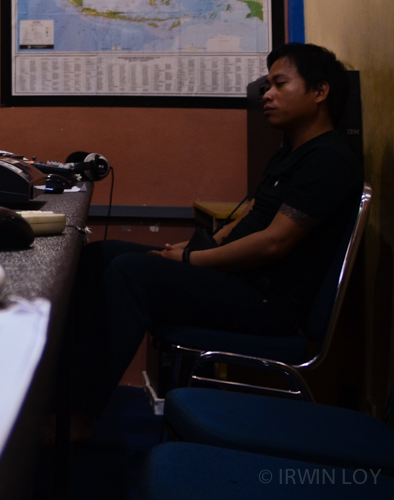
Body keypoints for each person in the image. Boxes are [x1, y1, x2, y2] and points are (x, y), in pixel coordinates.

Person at [67, 42, 361, 428]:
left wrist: (190, 261)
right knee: (99, 255)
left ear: (320, 92)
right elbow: (255, 213)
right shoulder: (291, 152)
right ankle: (58, 391)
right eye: (267, 86)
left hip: (268, 303)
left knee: (129, 273)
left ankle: (80, 414)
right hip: (239, 280)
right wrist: (196, 246)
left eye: (279, 84)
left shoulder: (329, 159)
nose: (267, 95)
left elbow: (275, 241)